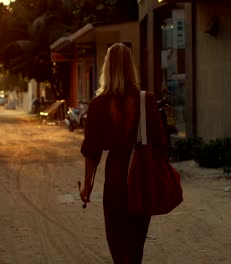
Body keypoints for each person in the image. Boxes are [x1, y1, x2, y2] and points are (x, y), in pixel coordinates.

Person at [79, 43, 167, 263]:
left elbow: (92, 150)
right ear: (130, 66)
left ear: (107, 68)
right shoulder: (147, 100)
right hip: (141, 177)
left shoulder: (98, 104)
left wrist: (87, 185)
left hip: (116, 176)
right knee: (136, 247)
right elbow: (161, 145)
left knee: (118, 245)